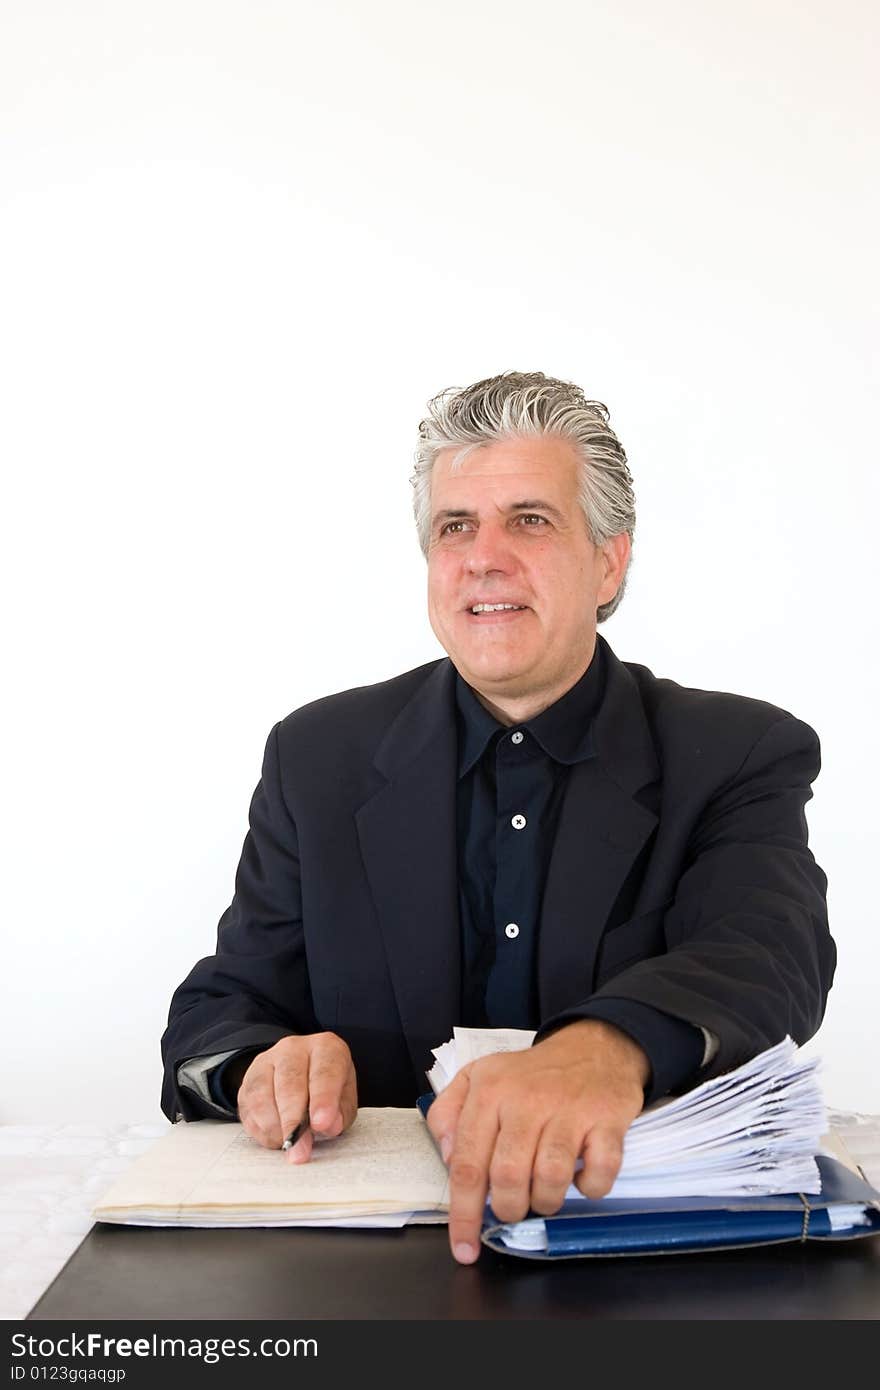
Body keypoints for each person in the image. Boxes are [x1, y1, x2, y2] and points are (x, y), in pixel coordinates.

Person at [161, 371, 835, 1265]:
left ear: (608, 561)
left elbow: (773, 953)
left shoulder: (739, 749)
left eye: (529, 519)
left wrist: (603, 1048)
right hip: (370, 1270)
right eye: (455, 527)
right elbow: (226, 1003)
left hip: (641, 1252)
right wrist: (262, 1063)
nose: (483, 557)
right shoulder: (318, 755)